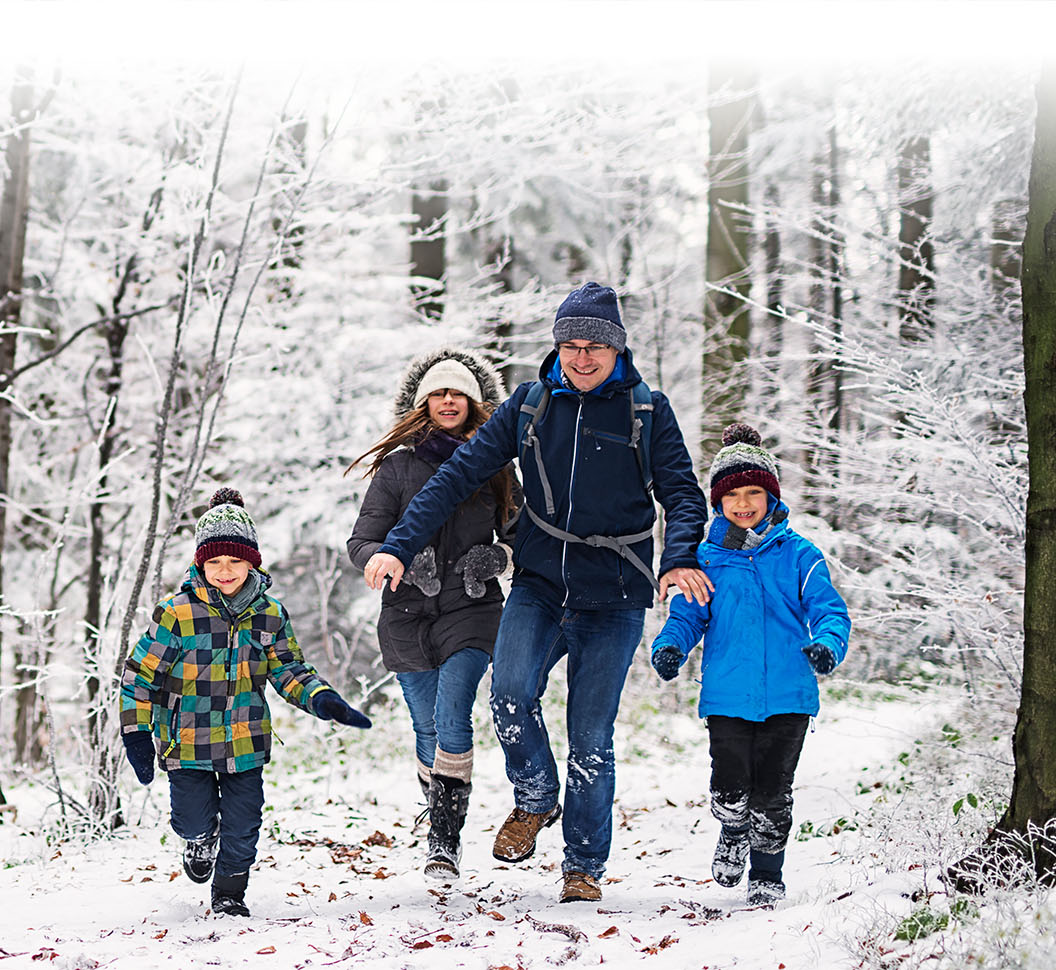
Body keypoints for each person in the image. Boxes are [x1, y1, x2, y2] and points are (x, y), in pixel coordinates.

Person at [362, 282, 711, 904]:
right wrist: (395, 542)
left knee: (590, 733)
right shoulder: (528, 406)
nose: (581, 358)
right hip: (541, 582)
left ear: (616, 350)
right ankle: (534, 797)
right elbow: (453, 477)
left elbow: (682, 494)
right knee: (510, 691)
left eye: (594, 348)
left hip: (617, 591)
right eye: (571, 345)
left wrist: (678, 557)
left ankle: (582, 866)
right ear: (556, 346)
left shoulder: (646, 410)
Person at [121, 488, 374, 918]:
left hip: (245, 742)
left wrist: (323, 699)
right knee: (192, 820)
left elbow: (288, 669)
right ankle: (200, 841)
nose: (224, 571)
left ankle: (229, 894)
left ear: (252, 562)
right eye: (214, 562)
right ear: (200, 562)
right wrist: (136, 733)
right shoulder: (176, 613)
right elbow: (140, 674)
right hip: (185, 744)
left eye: (235, 561)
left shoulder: (270, 614)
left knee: (244, 827)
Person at [646, 423, 851, 906]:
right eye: (732, 494)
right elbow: (688, 615)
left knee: (773, 793)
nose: (743, 503)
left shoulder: (800, 555)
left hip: (789, 695)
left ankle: (767, 874)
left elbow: (829, 610)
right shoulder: (705, 558)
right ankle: (732, 828)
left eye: (754, 491)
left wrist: (826, 644)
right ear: (717, 503)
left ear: (771, 495)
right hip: (728, 694)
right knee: (730, 785)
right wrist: (671, 645)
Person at [345, 347, 516, 881]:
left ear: (473, 402)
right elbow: (361, 540)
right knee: (425, 728)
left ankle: (444, 836)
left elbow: (521, 537)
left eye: (458, 393)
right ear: (423, 403)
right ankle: (442, 803)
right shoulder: (396, 468)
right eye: (439, 393)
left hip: (472, 606)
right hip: (406, 614)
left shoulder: (495, 465)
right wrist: (388, 560)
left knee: (451, 713)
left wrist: (499, 557)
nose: (448, 401)